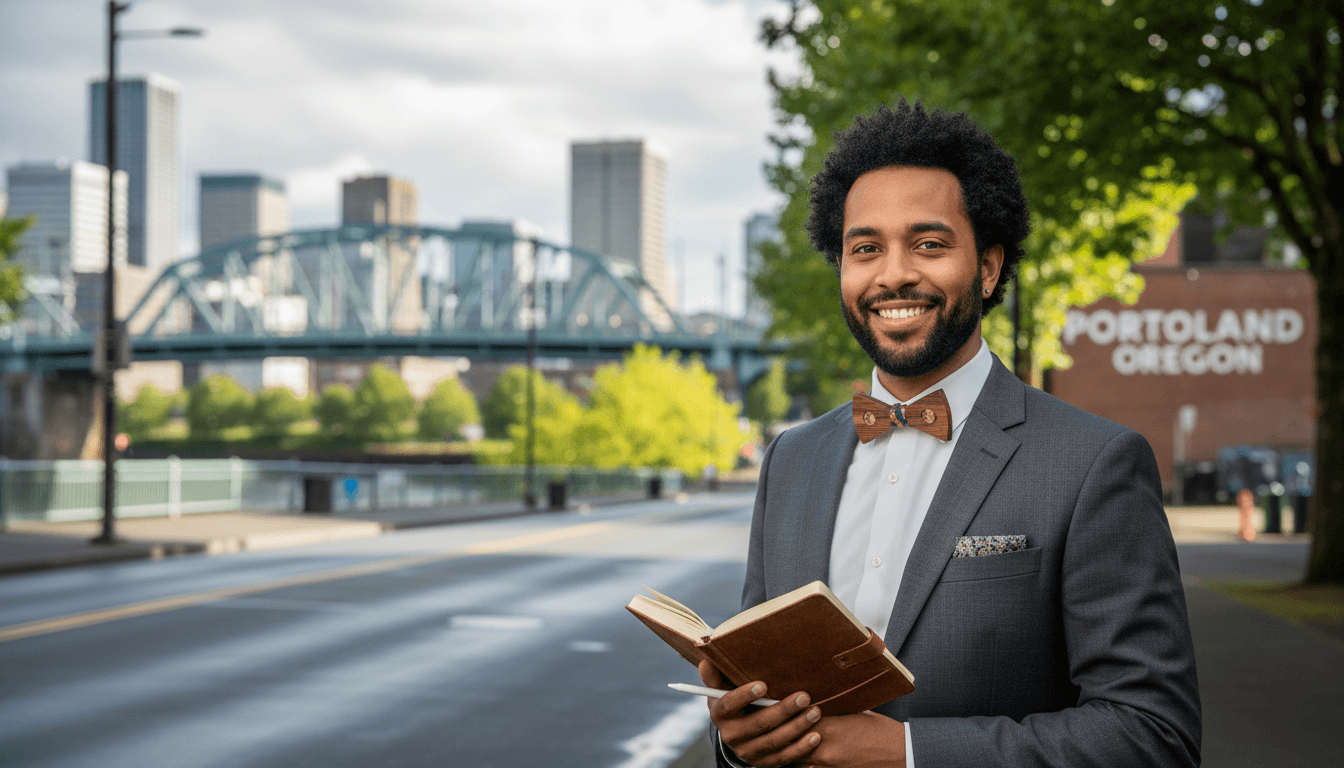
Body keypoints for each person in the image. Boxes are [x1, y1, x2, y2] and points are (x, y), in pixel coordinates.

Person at [701, 100, 1200, 768]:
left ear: (988, 268)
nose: (893, 274)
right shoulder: (791, 460)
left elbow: (1152, 736)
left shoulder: (1093, 464)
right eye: (865, 248)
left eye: (929, 245)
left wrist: (908, 752)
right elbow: (759, 692)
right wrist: (738, 741)